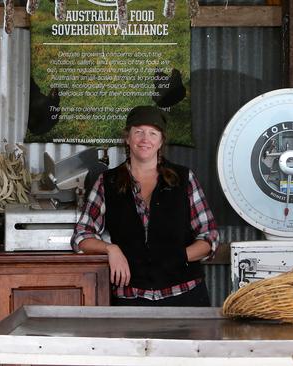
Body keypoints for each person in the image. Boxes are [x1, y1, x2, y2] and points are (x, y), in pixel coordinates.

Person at [71, 105, 219, 306]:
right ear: (127, 138)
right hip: (131, 298)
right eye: (138, 132)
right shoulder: (108, 182)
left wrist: (179, 256)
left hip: (185, 295)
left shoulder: (184, 178)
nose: (145, 139)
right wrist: (111, 249)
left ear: (161, 141)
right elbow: (82, 236)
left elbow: (209, 236)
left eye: (152, 133)